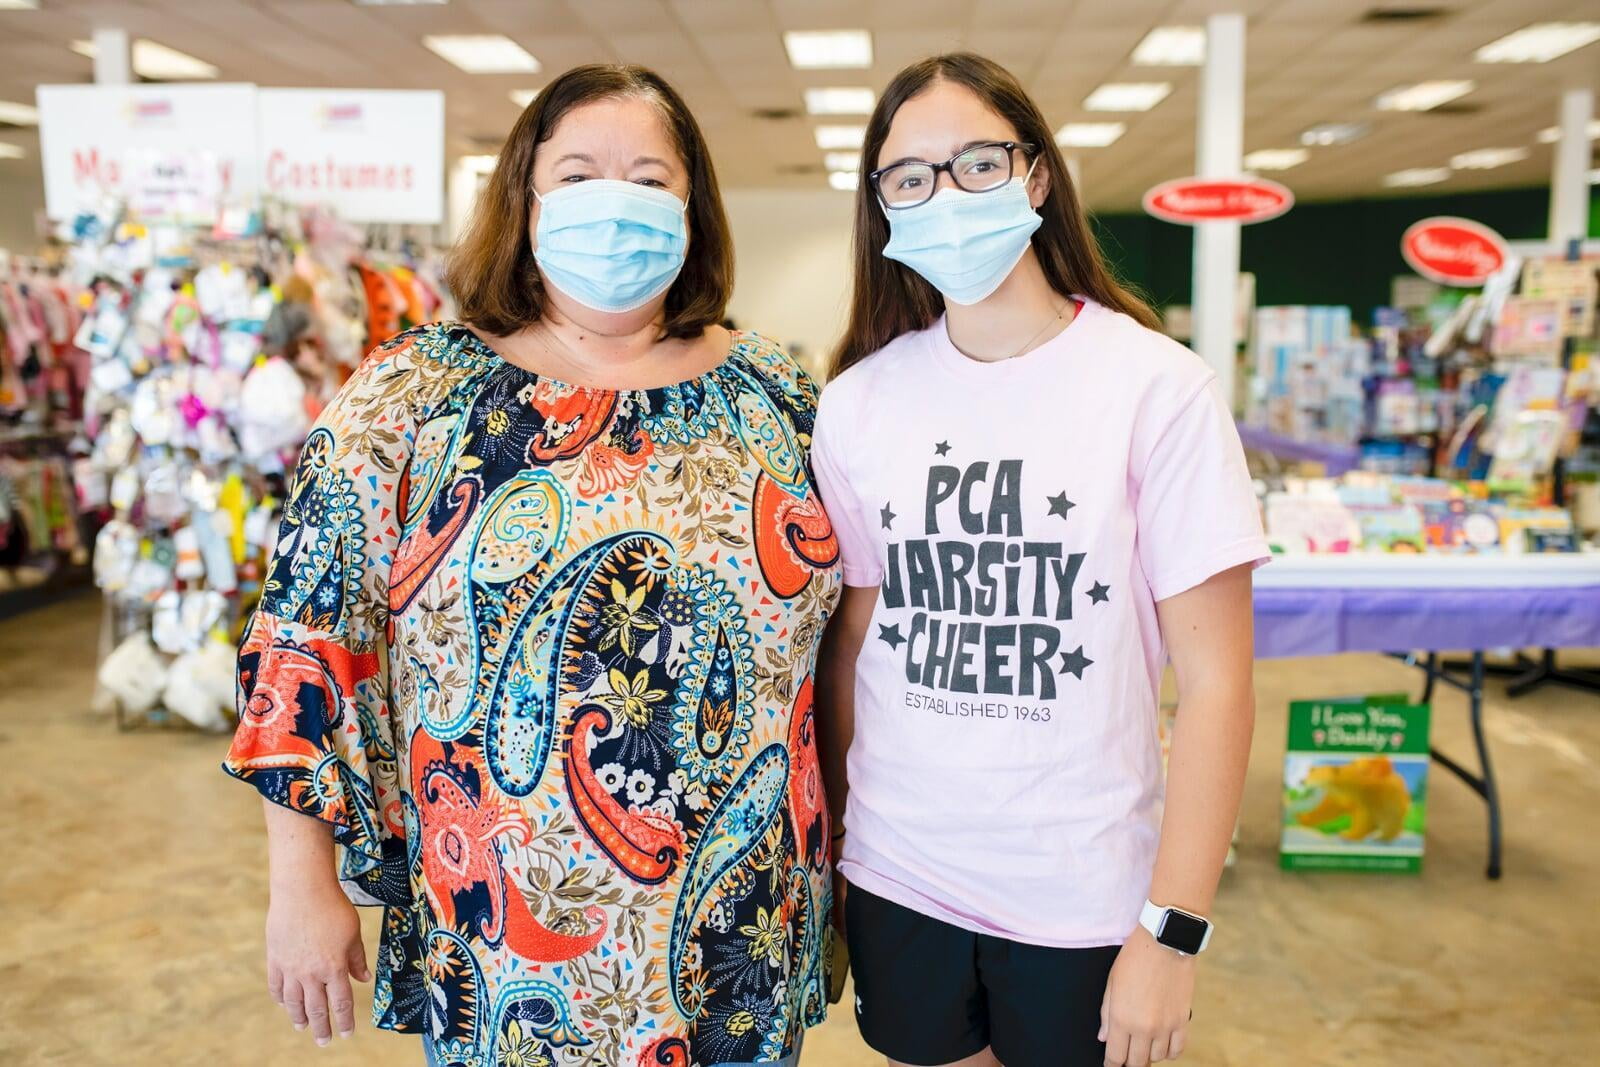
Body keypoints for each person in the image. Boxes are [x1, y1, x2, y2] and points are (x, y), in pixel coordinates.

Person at [222, 64, 842, 1067]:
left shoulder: (776, 392)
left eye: (649, 179)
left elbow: (839, 646)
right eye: (580, 175)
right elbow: (302, 633)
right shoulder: (413, 391)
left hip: (741, 928)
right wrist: (301, 883)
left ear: (694, 207)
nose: (617, 205)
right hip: (506, 934)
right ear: (523, 198)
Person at [810, 53, 1269, 1067]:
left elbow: (1218, 685)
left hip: (1083, 889)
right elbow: (852, 648)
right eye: (909, 176)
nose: (945, 194)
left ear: (1036, 175)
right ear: (881, 204)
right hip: (899, 873)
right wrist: (838, 855)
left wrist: (1174, 926)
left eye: (977, 161)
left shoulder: (1157, 389)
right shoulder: (857, 402)